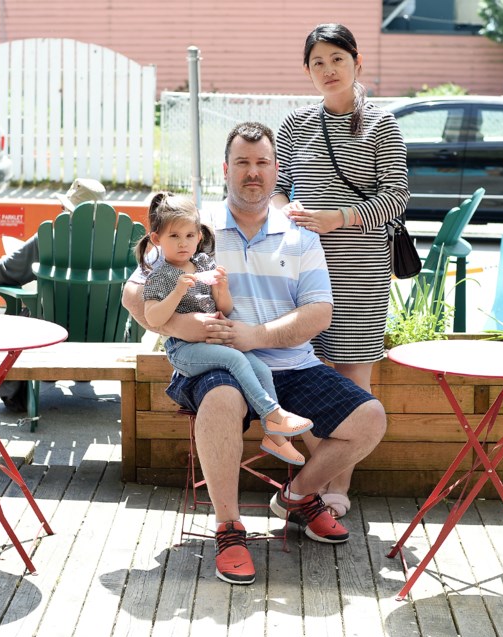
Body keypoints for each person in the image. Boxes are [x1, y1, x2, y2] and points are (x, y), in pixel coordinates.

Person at [123, 121, 387, 586]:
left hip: (290, 364)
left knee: (371, 418)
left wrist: (257, 335)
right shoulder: (198, 230)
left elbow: (319, 313)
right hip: (214, 364)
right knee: (223, 399)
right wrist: (175, 323)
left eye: (262, 162)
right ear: (226, 169)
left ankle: (297, 497)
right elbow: (134, 290)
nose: (253, 172)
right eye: (242, 162)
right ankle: (229, 528)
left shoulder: (299, 235)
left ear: (276, 169)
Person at [270, 23, 410, 519]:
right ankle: (313, 478)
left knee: (350, 376)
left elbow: (396, 198)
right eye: (317, 63)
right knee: (305, 372)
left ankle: (331, 489)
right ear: (307, 71)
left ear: (357, 63)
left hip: (360, 270)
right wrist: (287, 210)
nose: (328, 70)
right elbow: (277, 186)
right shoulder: (294, 125)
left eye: (337, 59)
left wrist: (339, 218)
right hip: (302, 269)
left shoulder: (381, 124)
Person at [137, 192, 315, 465]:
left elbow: (226, 308)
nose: (183, 243)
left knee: (260, 367)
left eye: (189, 235)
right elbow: (154, 317)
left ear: (198, 237)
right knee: (235, 359)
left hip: (213, 344)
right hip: (184, 350)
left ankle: (275, 437)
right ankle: (274, 415)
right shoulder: (160, 276)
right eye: (174, 237)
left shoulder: (203, 264)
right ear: (157, 240)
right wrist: (177, 291)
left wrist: (221, 289)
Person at [0, 177, 105, 410]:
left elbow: (4, 271)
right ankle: (78, 373)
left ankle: (15, 396)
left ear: (67, 209)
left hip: (52, 330)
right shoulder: (116, 243)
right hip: (101, 330)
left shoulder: (50, 238)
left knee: (20, 317)